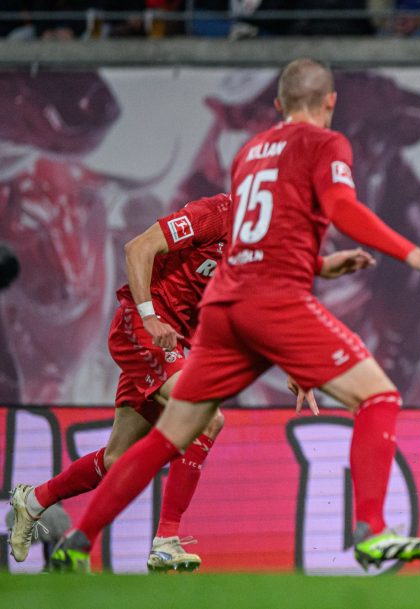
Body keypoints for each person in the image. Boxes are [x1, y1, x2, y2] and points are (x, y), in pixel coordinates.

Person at [48, 58, 420, 573]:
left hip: (222, 309)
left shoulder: (249, 152)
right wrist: (414, 254)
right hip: (274, 302)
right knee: (379, 395)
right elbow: (342, 207)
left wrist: (323, 265)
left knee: (170, 435)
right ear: (331, 102)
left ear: (276, 106)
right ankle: (372, 531)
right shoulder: (326, 143)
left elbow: (253, 241)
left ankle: (78, 540)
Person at [8, 192, 374, 572]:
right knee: (207, 417)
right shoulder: (216, 213)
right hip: (145, 325)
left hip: (179, 344)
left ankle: (33, 500)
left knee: (117, 460)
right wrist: (149, 316)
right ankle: (167, 540)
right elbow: (138, 248)